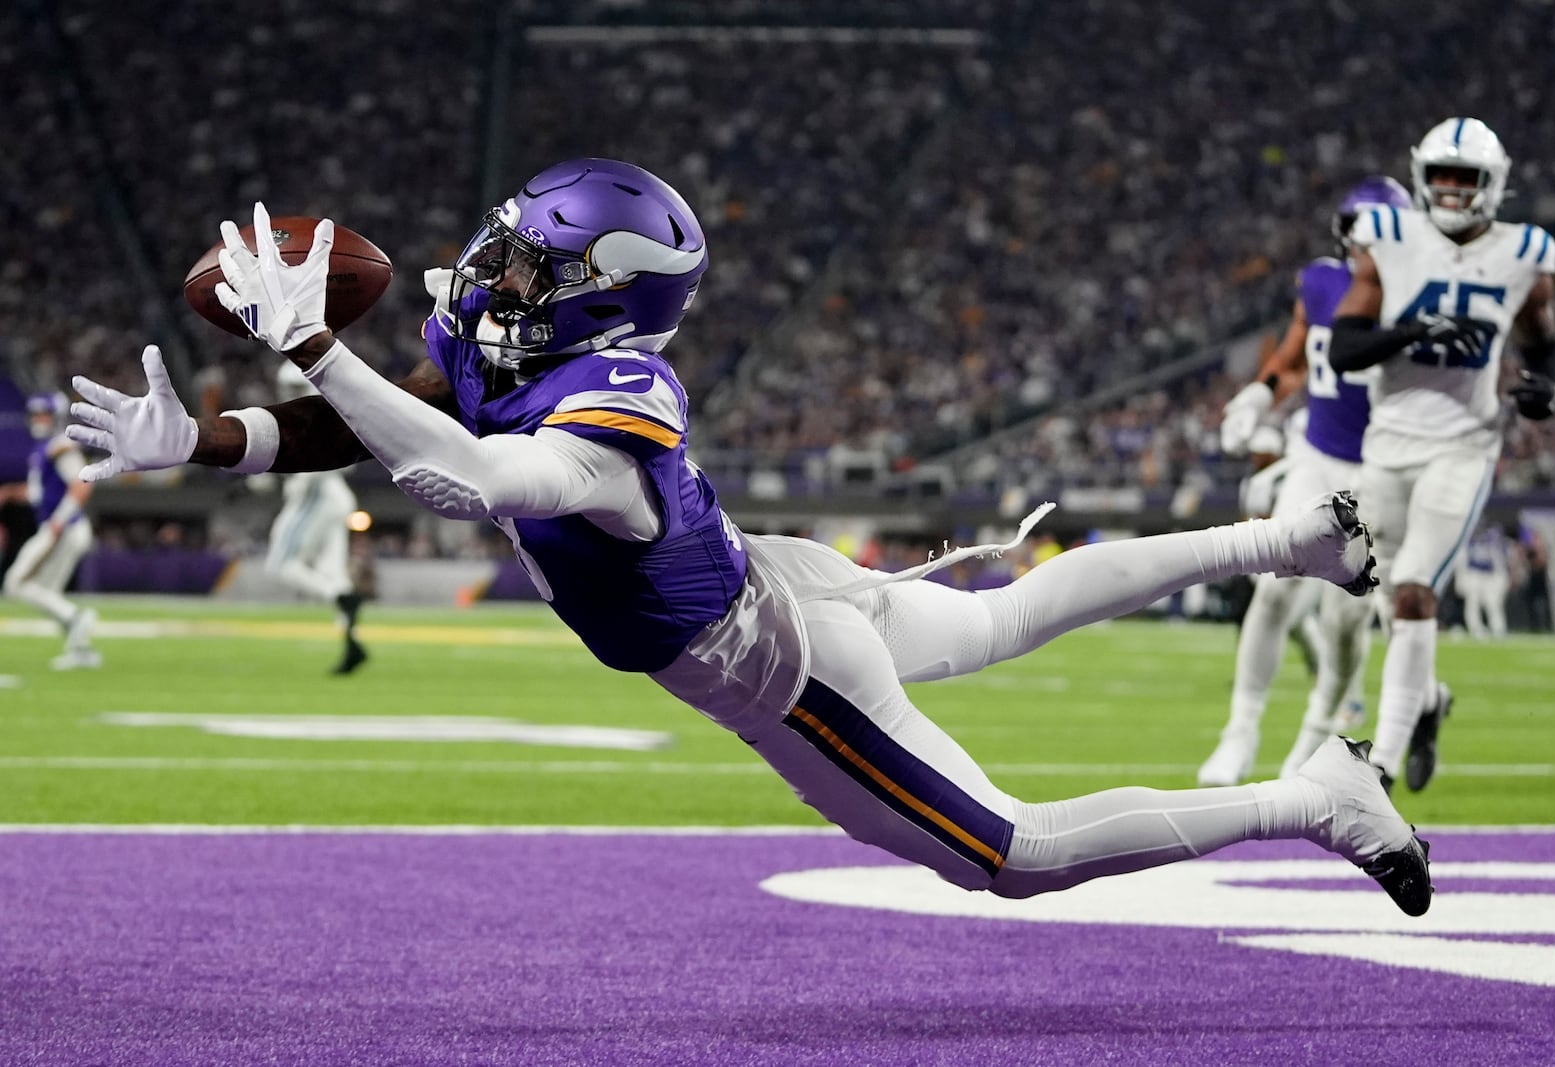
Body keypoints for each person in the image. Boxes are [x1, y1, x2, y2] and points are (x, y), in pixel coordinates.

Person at [66, 159, 1430, 916]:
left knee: (1007, 853)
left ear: (606, 292)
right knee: (1006, 618)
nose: (497, 274)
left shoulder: (616, 400)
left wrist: (309, 342)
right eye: (509, 246)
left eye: (535, 263)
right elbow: (385, 425)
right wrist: (207, 440)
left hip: (778, 661)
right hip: (776, 580)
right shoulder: (506, 345)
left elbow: (470, 480)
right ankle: (1290, 535)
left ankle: (1314, 792)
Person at [1328, 118, 1555, 793]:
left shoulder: (1524, 253)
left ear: (1495, 183)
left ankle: (1379, 765)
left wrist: (1550, 390)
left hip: (1464, 442)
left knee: (1414, 593)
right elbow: (1345, 349)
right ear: (1421, 179)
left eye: (1467, 177)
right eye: (1444, 176)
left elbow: (1542, 343)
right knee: (1381, 593)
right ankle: (1427, 697)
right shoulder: (1391, 239)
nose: (1455, 190)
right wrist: (1415, 329)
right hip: (1388, 441)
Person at [1200, 176, 1412, 786]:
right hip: (1316, 456)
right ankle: (1239, 731)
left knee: (1347, 623)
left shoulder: (1413, 295)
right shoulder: (1321, 281)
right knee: (1274, 589)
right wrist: (1258, 396)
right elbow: (1296, 355)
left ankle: (1317, 734)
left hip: (1379, 468)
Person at [257, 359, 368, 674]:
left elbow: (335, 462)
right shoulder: (331, 410)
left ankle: (342, 599)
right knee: (334, 572)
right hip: (335, 497)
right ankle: (351, 642)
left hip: (317, 496)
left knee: (281, 564)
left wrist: (292, 480)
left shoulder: (319, 417)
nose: (291, 393)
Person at [3, 392, 100, 669]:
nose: (38, 420)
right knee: (47, 593)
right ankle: (81, 650)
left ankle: (76, 617)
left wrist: (60, 520)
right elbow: (37, 493)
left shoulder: (60, 445)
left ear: (55, 416)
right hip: (64, 527)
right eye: (35, 415)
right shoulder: (44, 448)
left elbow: (83, 484)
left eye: (43, 414)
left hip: (62, 527)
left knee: (16, 582)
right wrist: (9, 494)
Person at [1453, 522, 1511, 640]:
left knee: (1492, 603)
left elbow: (1499, 561)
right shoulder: (1467, 540)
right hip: (1473, 574)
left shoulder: (1491, 539)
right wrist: (1461, 579)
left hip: (1489, 576)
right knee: (1472, 602)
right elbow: (1461, 561)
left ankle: (1498, 629)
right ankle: (1476, 629)